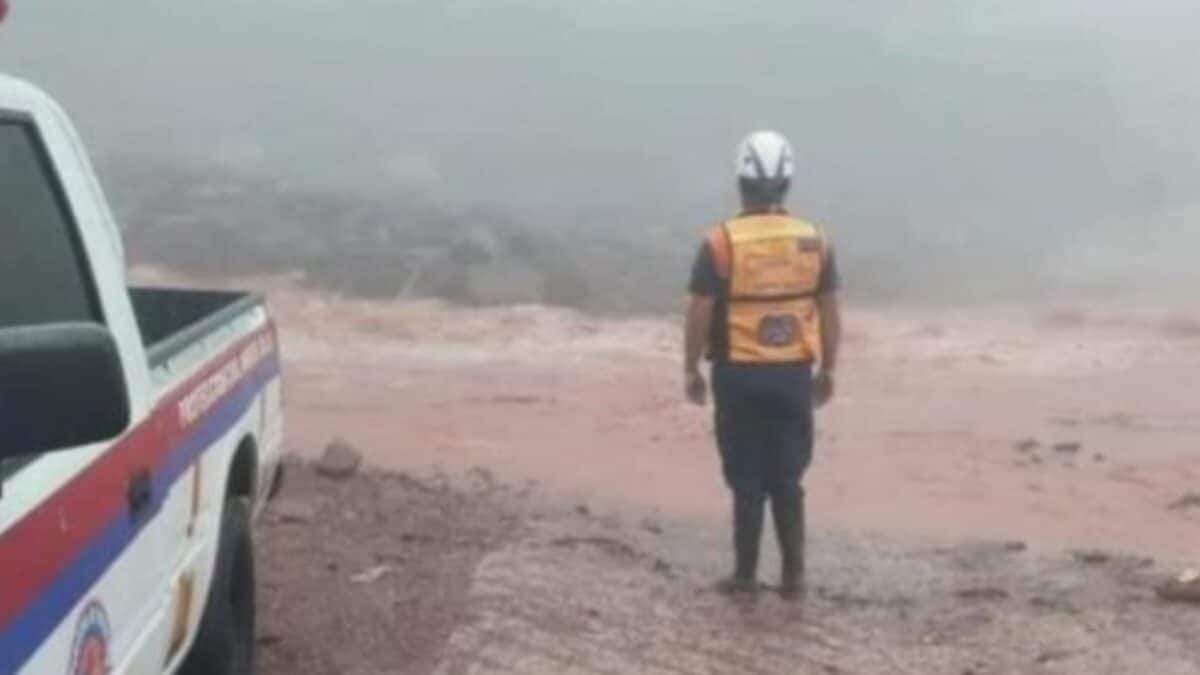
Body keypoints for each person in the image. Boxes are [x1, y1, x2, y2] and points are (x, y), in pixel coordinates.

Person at [684, 130, 842, 600]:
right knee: (789, 475)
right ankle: (794, 576)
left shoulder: (720, 243)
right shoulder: (815, 240)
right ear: (788, 182)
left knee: (746, 476)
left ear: (741, 181)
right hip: (793, 375)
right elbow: (831, 311)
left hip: (738, 374)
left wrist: (690, 368)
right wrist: (829, 369)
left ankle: (746, 576)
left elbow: (699, 311)